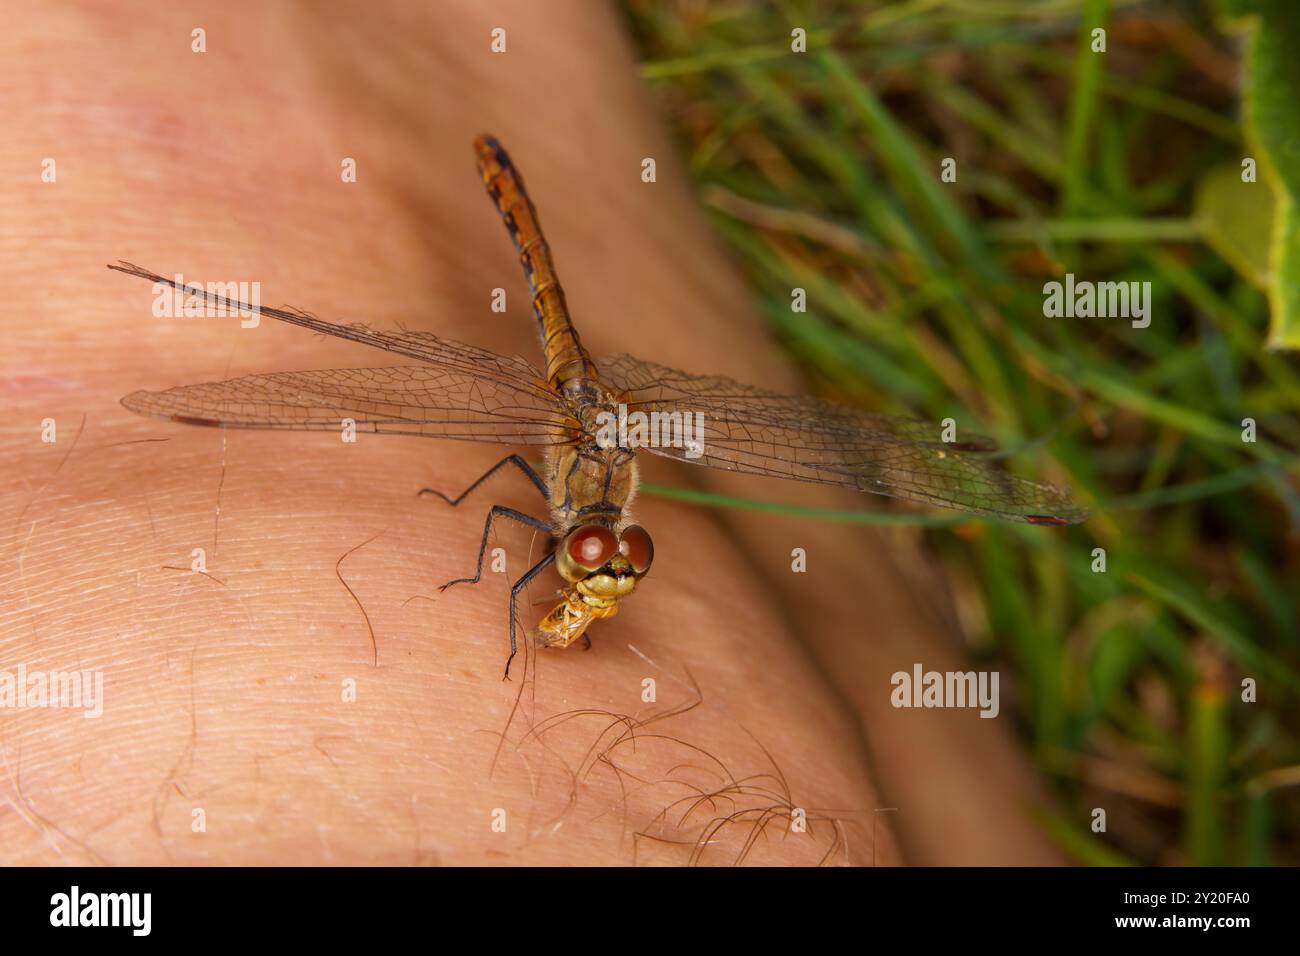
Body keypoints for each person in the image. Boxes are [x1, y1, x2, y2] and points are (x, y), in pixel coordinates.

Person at [0, 1, 1061, 865]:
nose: (606, 568)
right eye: (603, 556)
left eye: (612, 560)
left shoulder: (605, 519)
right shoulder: (548, 479)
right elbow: (510, 481)